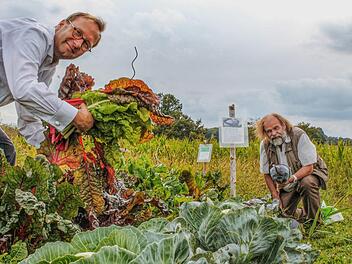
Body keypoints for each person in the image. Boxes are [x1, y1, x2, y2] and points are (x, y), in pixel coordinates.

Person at [0, 12, 105, 165]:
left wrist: (50, 149)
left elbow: (28, 116)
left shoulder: (47, 66)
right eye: (77, 33)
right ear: (62, 24)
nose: (77, 44)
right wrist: (75, 116)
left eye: (85, 44)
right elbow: (24, 89)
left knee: (6, 151)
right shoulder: (34, 34)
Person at [256, 113, 328, 222]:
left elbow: (309, 167)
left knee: (307, 183)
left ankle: (315, 222)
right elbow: (266, 174)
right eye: (269, 131)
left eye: (276, 128)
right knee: (282, 213)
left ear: (283, 125)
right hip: (286, 180)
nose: (273, 133)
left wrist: (293, 178)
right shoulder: (265, 145)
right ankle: (304, 213)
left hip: (309, 172)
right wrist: (275, 196)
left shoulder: (298, 135)